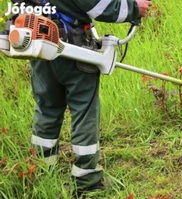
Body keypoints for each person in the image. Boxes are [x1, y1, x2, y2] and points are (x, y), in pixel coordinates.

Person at [26, 0, 152, 194]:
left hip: (39, 46)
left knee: (47, 109)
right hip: (73, 49)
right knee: (84, 112)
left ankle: (41, 168)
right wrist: (135, 7)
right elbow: (101, 7)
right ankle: (86, 181)